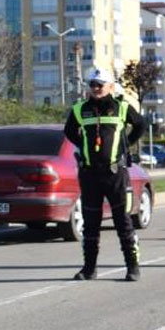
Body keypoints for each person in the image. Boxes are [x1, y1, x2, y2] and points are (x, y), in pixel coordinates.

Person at [63, 68, 146, 282]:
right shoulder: (80, 109)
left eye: (100, 84)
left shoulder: (121, 107)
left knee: (123, 222)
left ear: (110, 86)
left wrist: (126, 145)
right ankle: (89, 269)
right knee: (90, 225)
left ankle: (132, 267)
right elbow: (69, 131)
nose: (96, 88)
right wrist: (82, 145)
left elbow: (140, 125)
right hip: (90, 174)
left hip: (115, 174)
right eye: (93, 85)